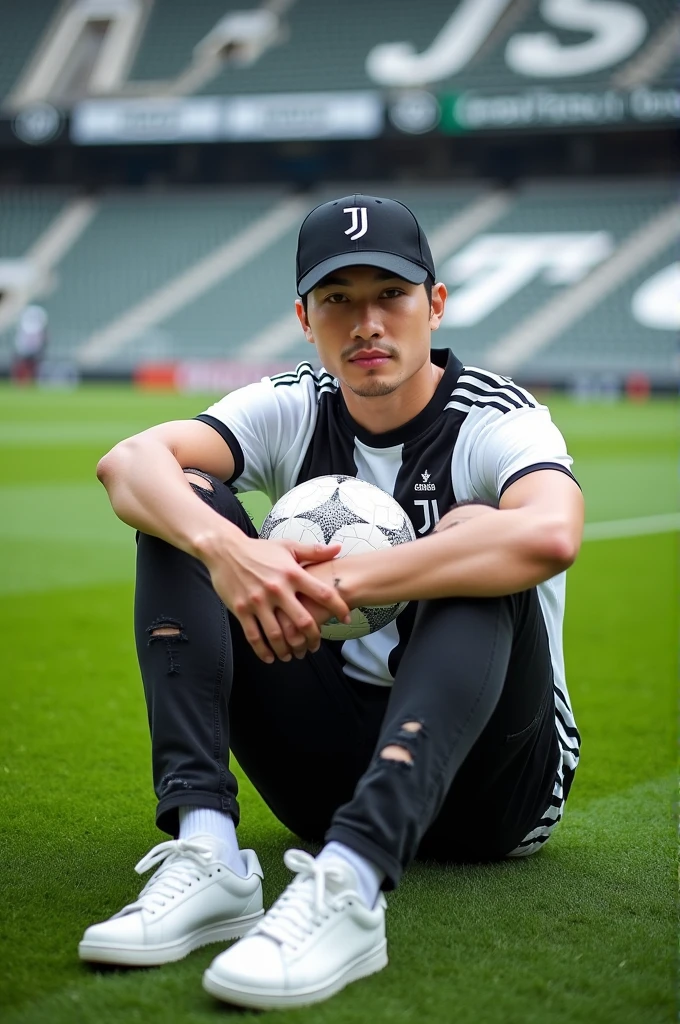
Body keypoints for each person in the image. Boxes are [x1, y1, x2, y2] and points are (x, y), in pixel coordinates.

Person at [81, 194, 584, 1009]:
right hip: (322, 775)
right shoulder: (292, 402)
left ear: (436, 303)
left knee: (476, 531)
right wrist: (233, 552)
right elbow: (128, 462)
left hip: (494, 790)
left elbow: (550, 537)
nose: (366, 323)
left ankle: (351, 885)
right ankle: (208, 849)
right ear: (304, 318)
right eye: (337, 300)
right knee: (186, 502)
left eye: (390, 294)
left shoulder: (494, 416)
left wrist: (336, 583)